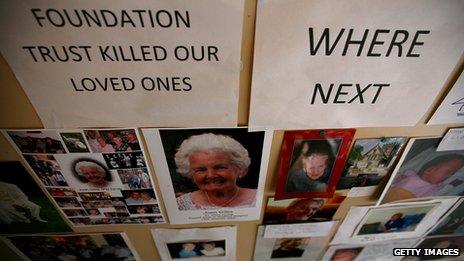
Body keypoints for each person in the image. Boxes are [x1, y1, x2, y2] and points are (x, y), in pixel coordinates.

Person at [174, 133, 256, 210]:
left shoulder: (259, 199)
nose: (210, 175)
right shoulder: (181, 205)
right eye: (201, 170)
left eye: (220, 167)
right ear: (191, 173)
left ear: (239, 169)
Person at [383, 154, 464, 203]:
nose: (449, 176)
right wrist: (397, 178)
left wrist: (451, 185)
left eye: (452, 173)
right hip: (391, 194)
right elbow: (392, 179)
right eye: (448, 172)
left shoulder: (435, 187)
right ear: (430, 170)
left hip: (407, 201)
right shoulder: (410, 174)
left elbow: (437, 194)